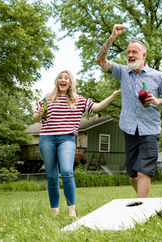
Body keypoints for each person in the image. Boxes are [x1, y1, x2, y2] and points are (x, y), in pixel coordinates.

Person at [96, 24, 162, 198]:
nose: (130, 55)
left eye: (134, 52)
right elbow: (101, 61)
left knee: (143, 172)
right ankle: (145, 201)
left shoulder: (157, 76)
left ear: (143, 55)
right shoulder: (123, 72)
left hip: (150, 130)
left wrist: (157, 101)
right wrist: (112, 37)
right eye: (128, 53)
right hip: (129, 128)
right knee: (133, 176)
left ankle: (142, 209)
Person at [33, 70, 120, 216]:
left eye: (66, 78)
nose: (62, 80)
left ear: (70, 82)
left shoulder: (78, 100)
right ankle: (54, 212)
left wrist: (112, 96)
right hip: (47, 138)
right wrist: (39, 113)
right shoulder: (48, 98)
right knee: (52, 175)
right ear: (57, 81)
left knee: (67, 171)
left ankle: (71, 211)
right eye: (60, 77)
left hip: (67, 139)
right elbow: (35, 118)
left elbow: (97, 107)